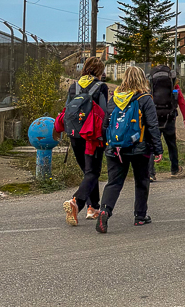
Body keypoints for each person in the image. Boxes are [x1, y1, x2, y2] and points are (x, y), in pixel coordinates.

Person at [95, 65, 163, 233]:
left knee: (114, 182)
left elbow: (105, 125)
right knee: (142, 181)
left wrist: (107, 144)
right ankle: (140, 216)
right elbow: (153, 126)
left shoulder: (115, 99)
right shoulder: (145, 99)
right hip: (140, 148)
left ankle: (105, 210)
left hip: (115, 148)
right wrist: (158, 149)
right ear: (142, 79)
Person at [60, 55, 109, 225]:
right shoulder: (101, 87)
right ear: (99, 71)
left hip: (74, 135)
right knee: (93, 172)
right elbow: (103, 112)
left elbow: (66, 110)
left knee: (88, 172)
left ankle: (93, 208)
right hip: (92, 136)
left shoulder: (74, 86)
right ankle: (76, 202)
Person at [148, 64, 185, 181]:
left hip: (154, 117)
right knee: (171, 143)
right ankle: (174, 169)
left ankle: (150, 173)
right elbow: (180, 99)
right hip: (169, 117)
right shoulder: (173, 83)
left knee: (152, 144)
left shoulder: (151, 84)